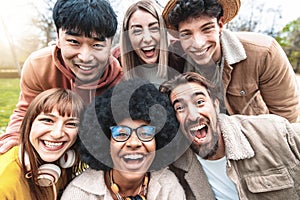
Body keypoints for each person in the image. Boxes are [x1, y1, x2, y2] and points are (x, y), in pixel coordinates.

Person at [0, 0, 123, 154]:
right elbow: (26, 112)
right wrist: (14, 138)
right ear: (58, 37)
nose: (85, 57)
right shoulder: (38, 66)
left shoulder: (121, 81)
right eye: (73, 42)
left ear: (110, 45)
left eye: (97, 45)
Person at [160, 72, 300, 200]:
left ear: (216, 105)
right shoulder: (177, 166)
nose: (193, 116)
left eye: (199, 102)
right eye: (180, 108)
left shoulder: (273, 131)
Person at [162, 0, 299, 122]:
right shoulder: (174, 61)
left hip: (257, 141)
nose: (198, 43)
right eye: (187, 34)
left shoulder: (264, 53)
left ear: (220, 24)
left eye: (207, 29)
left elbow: (286, 116)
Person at [61, 78, 186, 199]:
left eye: (146, 133)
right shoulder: (79, 194)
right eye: (121, 134)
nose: (134, 143)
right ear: (106, 143)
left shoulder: (168, 187)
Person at [0, 88, 85, 200]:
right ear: (29, 124)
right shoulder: (5, 181)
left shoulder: (61, 164)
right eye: (48, 120)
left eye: (71, 124)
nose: (57, 134)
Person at [112, 0, 180, 86]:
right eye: (137, 31)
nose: (147, 39)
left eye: (154, 28)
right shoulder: (114, 70)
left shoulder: (180, 58)